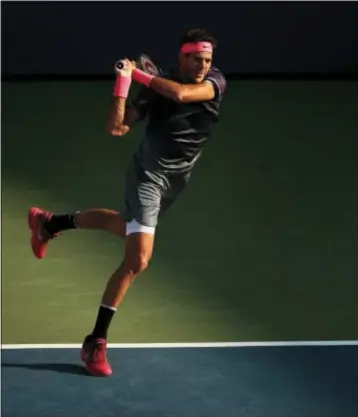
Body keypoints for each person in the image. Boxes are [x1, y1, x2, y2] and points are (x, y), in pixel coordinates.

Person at [28, 28, 226, 377]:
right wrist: (122, 85)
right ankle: (95, 342)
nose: (203, 65)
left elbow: (180, 94)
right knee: (139, 259)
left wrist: (139, 75)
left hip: (178, 179)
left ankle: (49, 223)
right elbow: (117, 128)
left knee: (124, 225)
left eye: (208, 59)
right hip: (148, 175)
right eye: (196, 58)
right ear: (181, 57)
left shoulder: (214, 82)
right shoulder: (153, 92)